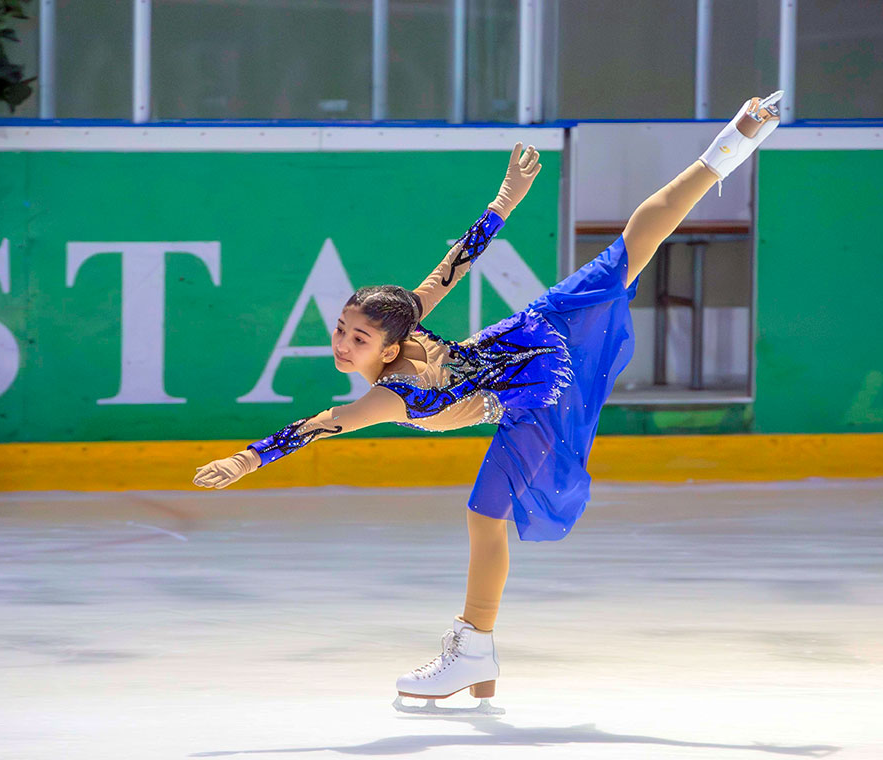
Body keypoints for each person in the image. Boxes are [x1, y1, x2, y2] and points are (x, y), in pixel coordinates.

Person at [193, 92, 783, 715]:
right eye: (342, 328)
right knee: (628, 250)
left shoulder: (389, 396)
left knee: (485, 514)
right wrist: (504, 201)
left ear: (393, 344)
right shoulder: (408, 321)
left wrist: (249, 458)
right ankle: (737, 140)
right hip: (536, 337)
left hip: (538, 395)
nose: (342, 343)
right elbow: (458, 261)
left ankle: (474, 646)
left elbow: (324, 423)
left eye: (358, 337)